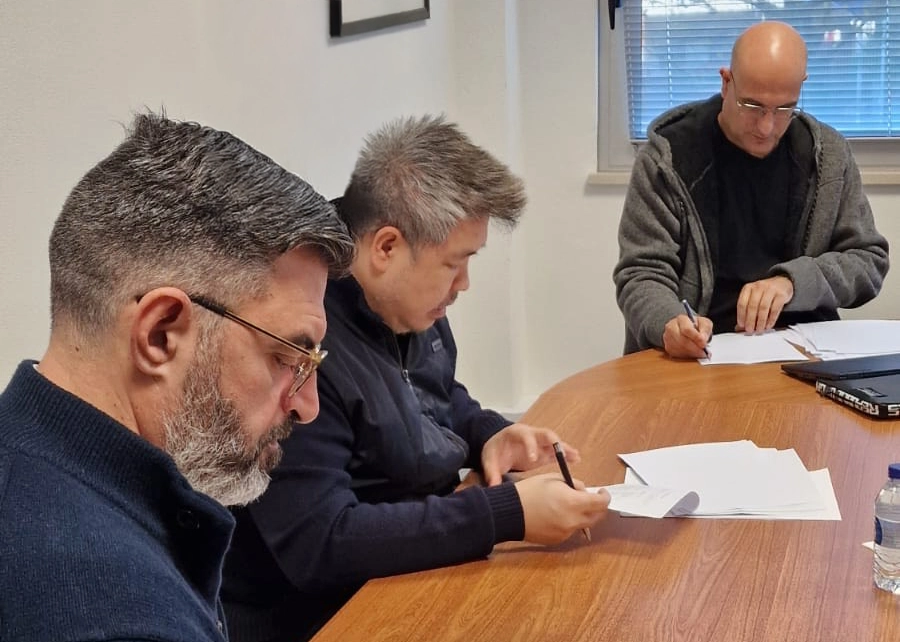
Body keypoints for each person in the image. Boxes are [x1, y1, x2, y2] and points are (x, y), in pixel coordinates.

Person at [221, 115, 611, 642]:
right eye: (456, 263)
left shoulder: (406, 304)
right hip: (332, 614)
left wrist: (487, 433)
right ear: (386, 248)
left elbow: (436, 392)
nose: (464, 285)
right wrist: (505, 515)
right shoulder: (300, 338)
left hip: (416, 569)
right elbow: (321, 542)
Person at [0, 113, 354, 641]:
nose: (308, 405)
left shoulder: (27, 458)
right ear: (161, 334)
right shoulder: (117, 614)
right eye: (288, 357)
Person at [613, 20, 889, 358]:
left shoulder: (828, 157)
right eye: (753, 106)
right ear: (726, 82)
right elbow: (641, 273)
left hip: (806, 353)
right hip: (702, 355)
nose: (766, 127)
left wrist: (793, 283)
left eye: (784, 108)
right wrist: (670, 322)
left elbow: (868, 262)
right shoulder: (668, 159)